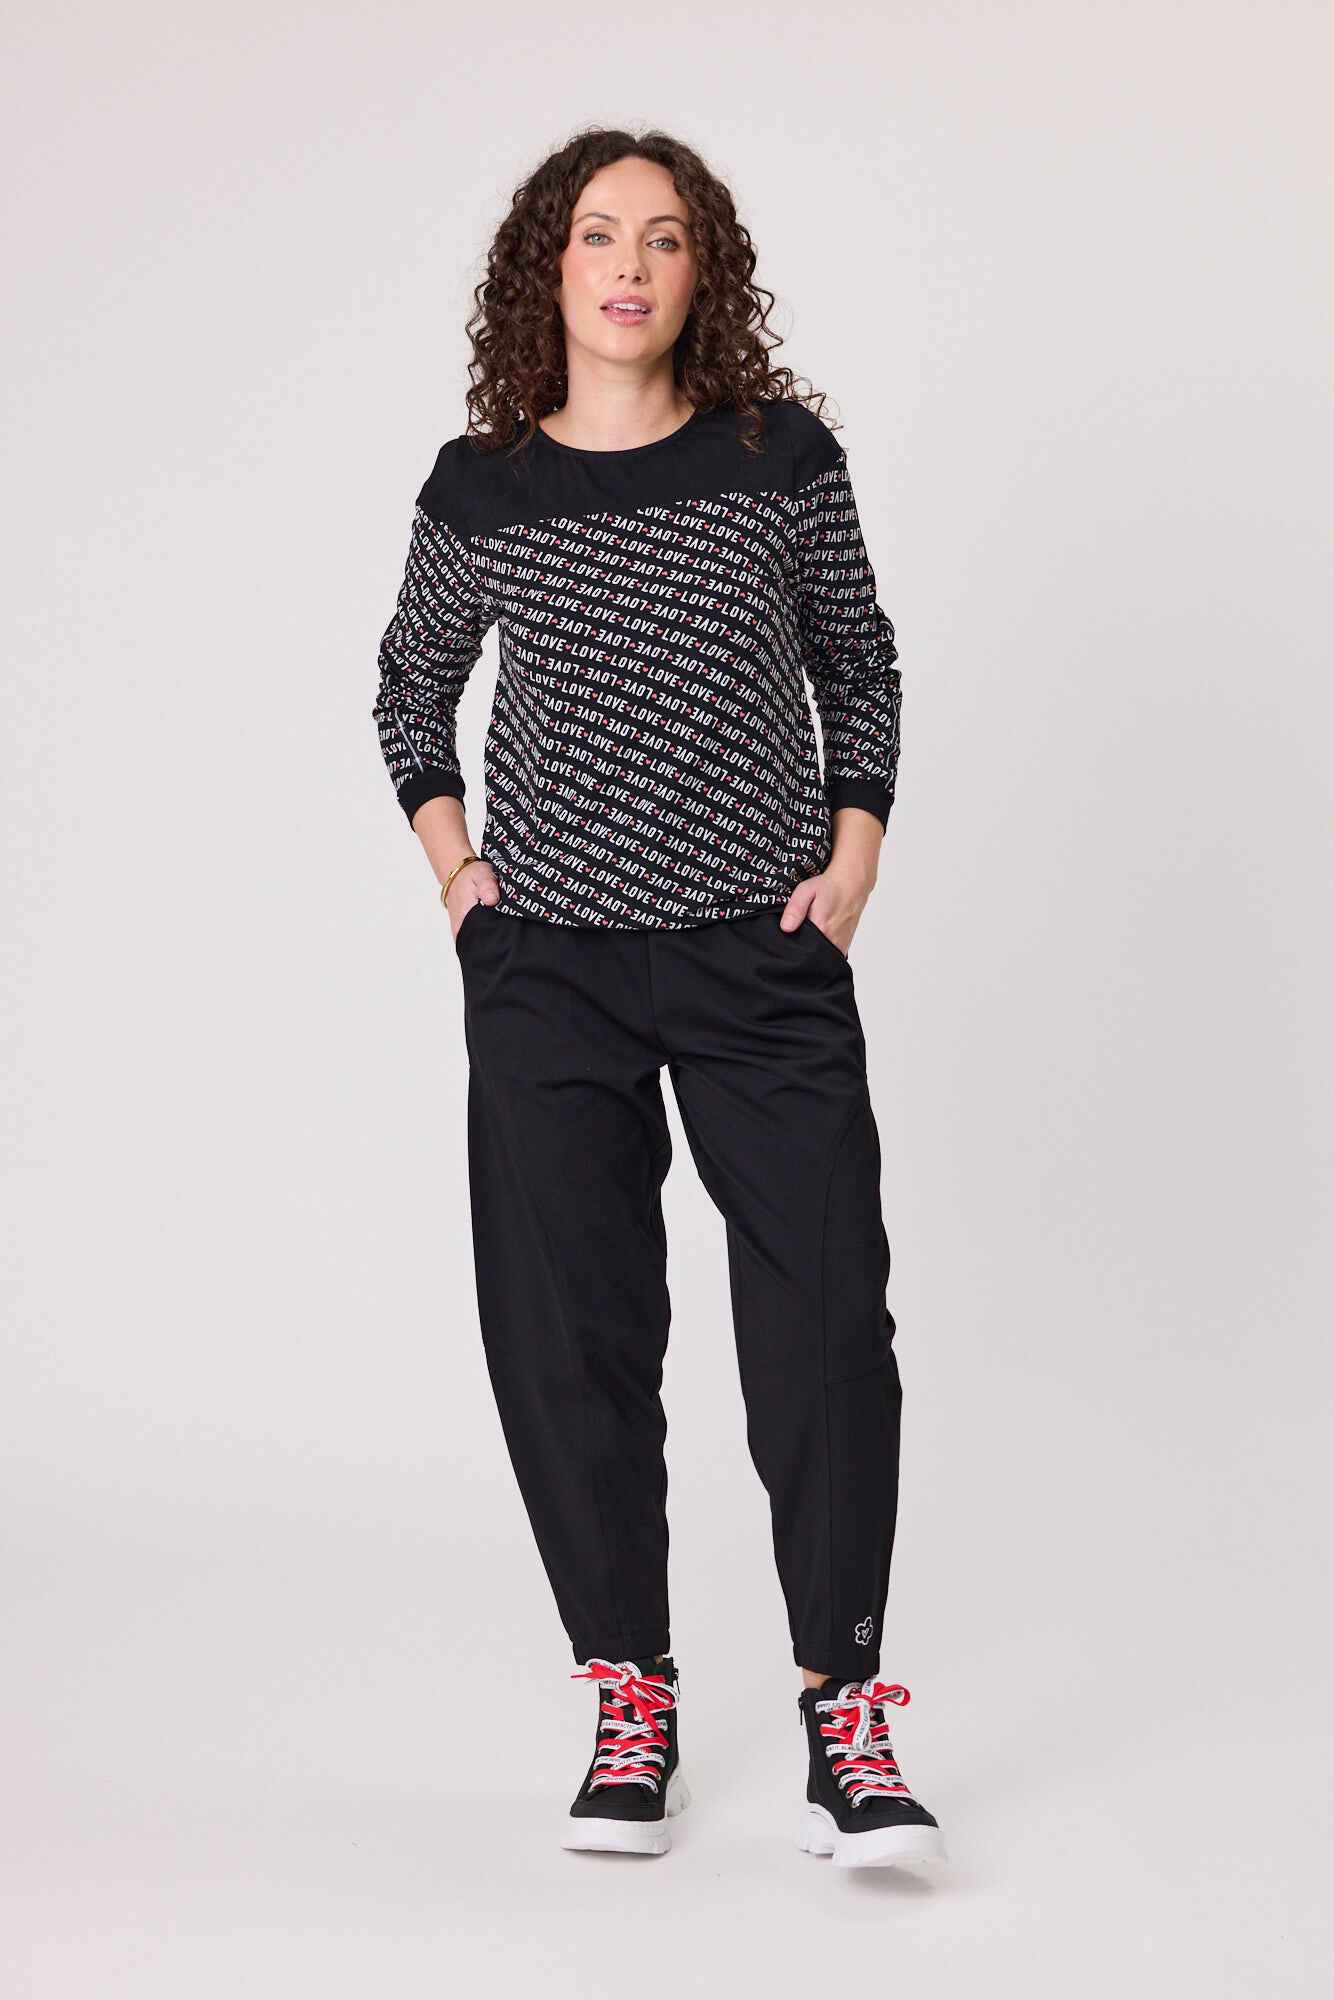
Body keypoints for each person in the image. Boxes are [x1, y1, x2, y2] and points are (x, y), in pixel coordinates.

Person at [371, 127, 946, 1871]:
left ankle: (844, 1712)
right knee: (572, 1339)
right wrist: (461, 879)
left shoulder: (777, 459)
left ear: (706, 273)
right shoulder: (480, 488)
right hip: (548, 969)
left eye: (666, 237)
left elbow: (857, 657)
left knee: (824, 1327)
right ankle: (631, 1696)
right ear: (544, 269)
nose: (629, 265)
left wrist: (853, 857)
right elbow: (408, 686)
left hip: (758, 958)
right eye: (598, 234)